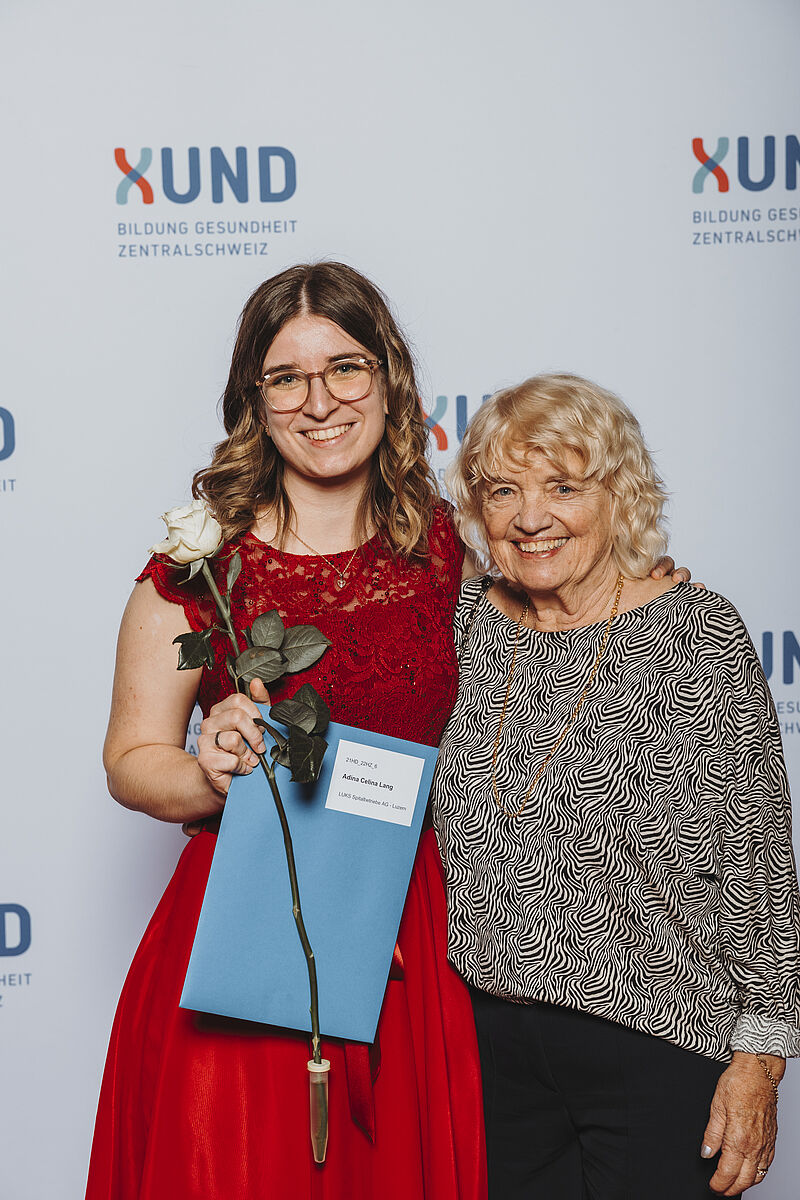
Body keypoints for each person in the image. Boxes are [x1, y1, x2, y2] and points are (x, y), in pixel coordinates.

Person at [85, 262, 487, 1200]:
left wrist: (643, 590)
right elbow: (131, 760)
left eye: (345, 367)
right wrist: (208, 769)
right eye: (287, 378)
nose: (320, 401)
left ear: (387, 378)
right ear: (253, 400)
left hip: (408, 927)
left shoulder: (448, 550)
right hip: (251, 923)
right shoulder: (198, 567)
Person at [434, 373, 800, 1200]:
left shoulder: (696, 634)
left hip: (657, 1044)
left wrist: (761, 1061)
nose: (530, 517)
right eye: (503, 491)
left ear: (619, 495)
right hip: (486, 1053)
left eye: (564, 487)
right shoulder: (466, 623)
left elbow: (758, 865)